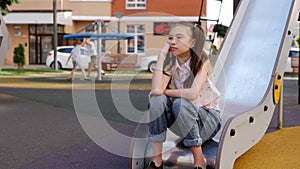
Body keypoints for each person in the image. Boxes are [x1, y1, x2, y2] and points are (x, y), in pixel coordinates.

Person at [146, 22, 221, 169]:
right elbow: (156, 90)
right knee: (157, 100)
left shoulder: (202, 61)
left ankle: (199, 161)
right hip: (184, 122)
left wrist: (166, 91)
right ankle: (157, 161)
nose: (172, 41)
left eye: (179, 37)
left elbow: (192, 94)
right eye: (170, 38)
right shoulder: (171, 62)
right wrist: (161, 55)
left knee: (180, 103)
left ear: (192, 42)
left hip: (207, 120)